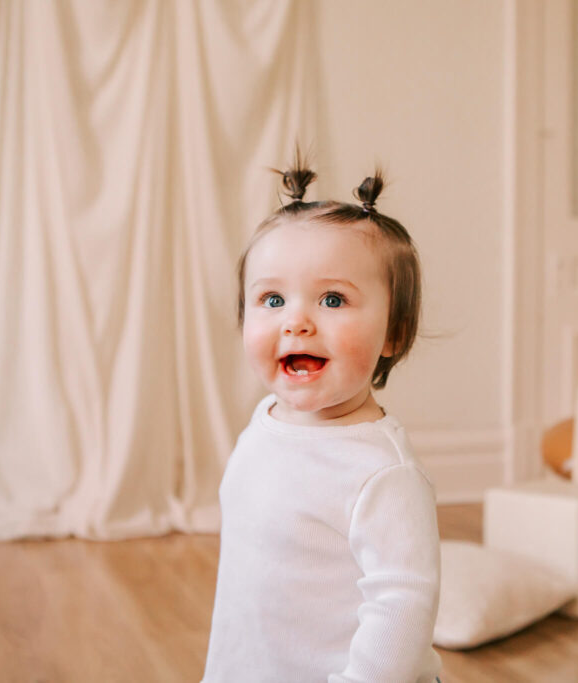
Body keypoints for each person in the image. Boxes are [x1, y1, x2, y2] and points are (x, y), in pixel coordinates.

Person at [201, 153, 442, 682]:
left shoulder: (383, 474)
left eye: (332, 299)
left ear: (394, 334)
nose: (296, 322)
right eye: (272, 299)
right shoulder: (265, 421)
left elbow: (403, 607)